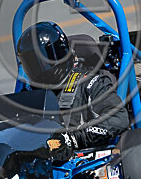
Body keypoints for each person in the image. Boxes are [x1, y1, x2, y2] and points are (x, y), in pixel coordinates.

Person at [16, 21, 130, 161]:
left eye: (45, 61)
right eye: (33, 63)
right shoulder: (29, 97)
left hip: (87, 166)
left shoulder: (91, 83)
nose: (40, 68)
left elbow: (118, 118)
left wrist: (72, 138)